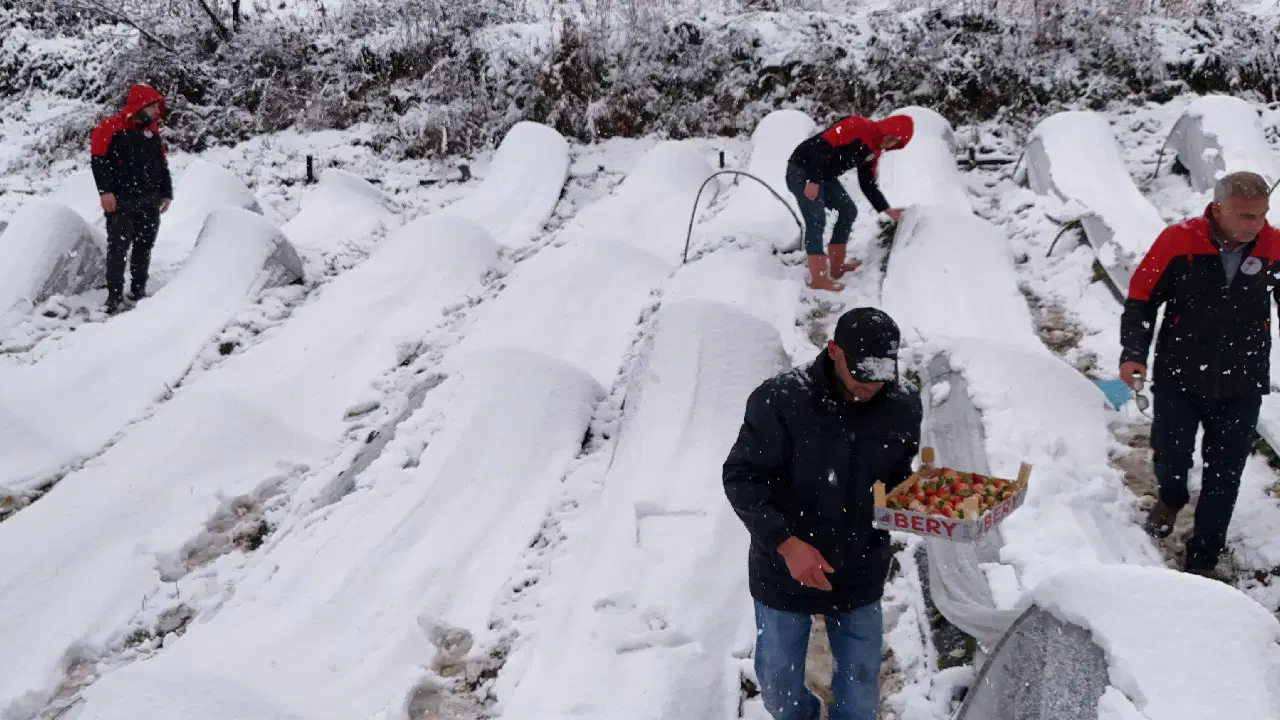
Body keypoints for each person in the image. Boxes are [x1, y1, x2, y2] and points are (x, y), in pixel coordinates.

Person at [723, 307, 922, 720]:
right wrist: (786, 543)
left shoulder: (902, 406)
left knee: (862, 685)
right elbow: (742, 477)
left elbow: (898, 476)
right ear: (833, 351)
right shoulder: (780, 400)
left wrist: (922, 501)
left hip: (860, 562)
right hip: (784, 567)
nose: (872, 385)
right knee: (778, 684)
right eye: (862, 372)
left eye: (882, 372)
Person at [1120, 170, 1278, 580]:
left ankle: (1204, 557)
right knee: (1171, 456)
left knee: (1225, 473)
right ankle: (1170, 498)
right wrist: (1133, 353)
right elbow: (1141, 298)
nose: (1255, 225)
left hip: (1243, 380)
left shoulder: (1274, 246)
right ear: (1218, 208)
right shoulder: (1179, 240)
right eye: (1245, 216)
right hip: (1180, 374)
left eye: (1261, 215)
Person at [785, 114, 914, 292]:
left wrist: (886, 209)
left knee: (848, 210)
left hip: (824, 176)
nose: (890, 142)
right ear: (886, 127)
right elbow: (821, 146)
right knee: (816, 219)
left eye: (896, 142)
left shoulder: (873, 152)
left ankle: (837, 268)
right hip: (801, 169)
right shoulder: (856, 125)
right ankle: (819, 278)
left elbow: (867, 183)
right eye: (891, 136)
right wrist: (813, 180)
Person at [90, 83, 173, 314]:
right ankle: (114, 297)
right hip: (121, 200)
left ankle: (138, 291)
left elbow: (161, 164)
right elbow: (99, 163)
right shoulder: (110, 128)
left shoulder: (152, 132)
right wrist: (104, 192)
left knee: (144, 246)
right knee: (118, 248)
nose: (157, 111)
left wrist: (166, 193)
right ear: (141, 106)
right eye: (153, 106)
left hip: (149, 199)